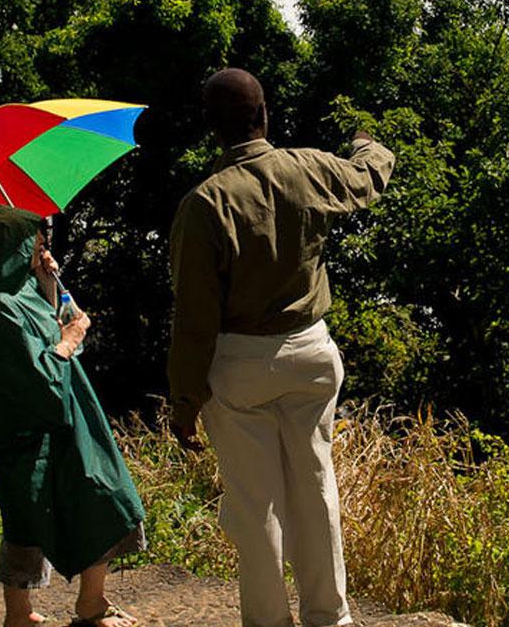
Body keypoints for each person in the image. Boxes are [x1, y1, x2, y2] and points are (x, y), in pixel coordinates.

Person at [168, 68, 395, 627]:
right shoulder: (307, 168)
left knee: (255, 507)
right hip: (311, 354)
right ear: (264, 114)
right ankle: (329, 617)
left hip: (241, 364)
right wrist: (367, 144)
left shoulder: (204, 205)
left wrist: (183, 399)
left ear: (212, 130)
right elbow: (368, 177)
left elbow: (194, 320)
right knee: (317, 489)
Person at [0, 204, 146, 627]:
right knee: (27, 516)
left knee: (102, 493)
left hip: (70, 416)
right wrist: (68, 339)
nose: (43, 245)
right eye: (35, 239)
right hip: (28, 427)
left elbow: (65, 327)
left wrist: (51, 288)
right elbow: (42, 370)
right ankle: (19, 614)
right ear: (12, 246)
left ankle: (92, 602)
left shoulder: (27, 290)